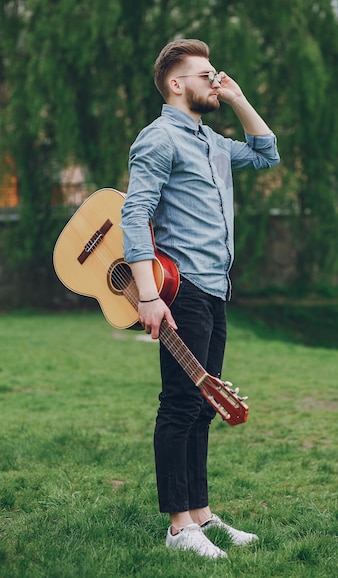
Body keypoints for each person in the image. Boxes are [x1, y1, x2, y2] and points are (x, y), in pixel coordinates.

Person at [121, 38, 280, 559]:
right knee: (181, 403)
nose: (214, 79)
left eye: (215, 74)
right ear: (176, 83)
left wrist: (235, 97)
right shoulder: (159, 139)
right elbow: (134, 215)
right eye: (205, 74)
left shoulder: (211, 141)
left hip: (216, 288)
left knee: (205, 406)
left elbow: (266, 153)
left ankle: (201, 514)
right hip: (179, 288)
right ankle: (177, 528)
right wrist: (148, 295)